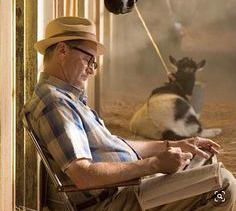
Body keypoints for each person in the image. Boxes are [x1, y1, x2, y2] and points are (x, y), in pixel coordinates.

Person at [22, 16, 236, 211]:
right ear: (62, 51)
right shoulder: (55, 103)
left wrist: (173, 145)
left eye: (94, 62)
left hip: (124, 189)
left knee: (203, 160)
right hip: (113, 201)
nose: (92, 69)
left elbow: (117, 144)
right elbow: (82, 174)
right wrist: (155, 164)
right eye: (89, 59)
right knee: (223, 185)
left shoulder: (69, 98)